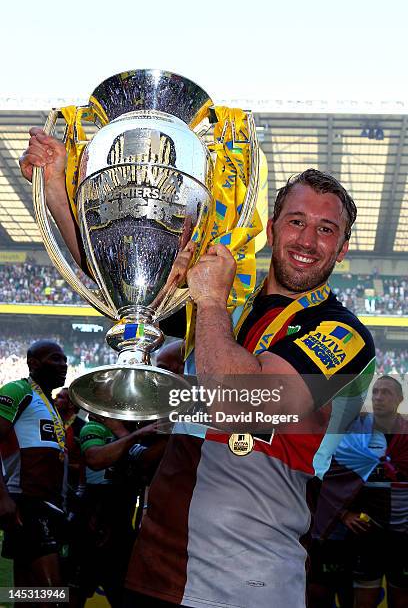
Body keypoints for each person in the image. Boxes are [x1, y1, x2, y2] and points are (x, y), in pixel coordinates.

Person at [20, 133, 376, 606]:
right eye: (296, 222)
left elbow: (239, 402)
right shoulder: (224, 311)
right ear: (271, 230)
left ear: (343, 248)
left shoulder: (342, 333)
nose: (308, 240)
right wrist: (55, 191)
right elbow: (119, 287)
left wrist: (209, 297)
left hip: (246, 584)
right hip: (155, 571)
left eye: (326, 229)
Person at [311, 375, 408, 608]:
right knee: (360, 600)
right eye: (375, 392)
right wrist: (344, 513)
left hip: (403, 535)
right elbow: (331, 477)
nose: (378, 397)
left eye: (386, 393)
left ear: (399, 399)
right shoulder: (355, 432)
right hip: (367, 534)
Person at [67, 415, 160, 608]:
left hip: (121, 524)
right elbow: (95, 458)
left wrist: (177, 432)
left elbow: (146, 459)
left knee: (122, 592)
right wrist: (131, 434)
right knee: (74, 590)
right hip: (93, 520)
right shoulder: (95, 426)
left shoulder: (138, 432)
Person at [0, 340, 68, 603]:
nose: (63, 365)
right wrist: (3, 497)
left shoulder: (50, 404)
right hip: (27, 504)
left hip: (48, 505)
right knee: (52, 593)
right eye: (55, 359)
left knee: (28, 594)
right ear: (33, 363)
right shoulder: (18, 391)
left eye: (64, 360)